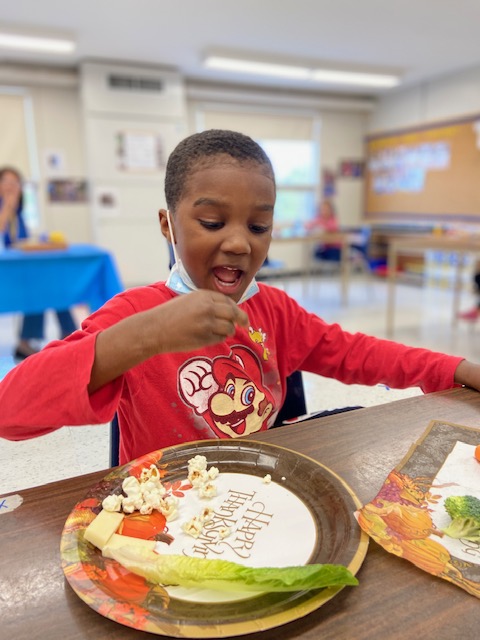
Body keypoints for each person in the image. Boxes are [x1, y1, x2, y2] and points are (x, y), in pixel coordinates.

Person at [1, 130, 480, 465]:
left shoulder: (274, 311)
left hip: (257, 503)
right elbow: (11, 411)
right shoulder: (134, 314)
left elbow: (359, 353)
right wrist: (145, 336)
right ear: (167, 225)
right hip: (166, 517)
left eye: (258, 226)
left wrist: (454, 369)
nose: (238, 243)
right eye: (212, 223)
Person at [0, 166, 77, 359]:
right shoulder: (6, 210)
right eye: (7, 182)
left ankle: (37, 339)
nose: (12, 187)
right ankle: (60, 334)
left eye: (15, 183)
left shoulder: (18, 214)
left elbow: (20, 242)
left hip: (21, 270)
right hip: (7, 272)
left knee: (52, 283)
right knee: (42, 286)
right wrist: (7, 206)